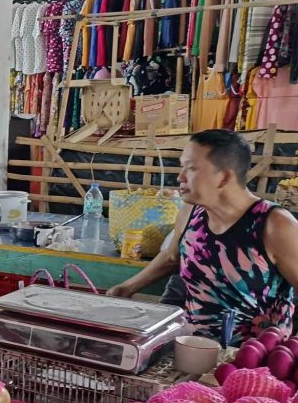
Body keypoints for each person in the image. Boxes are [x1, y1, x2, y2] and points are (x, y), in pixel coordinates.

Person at [108, 129, 298, 344]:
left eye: (191, 168)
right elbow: (172, 257)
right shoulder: (191, 212)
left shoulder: (275, 225)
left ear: (224, 177)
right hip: (191, 347)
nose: (180, 177)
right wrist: (125, 289)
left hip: (254, 362)